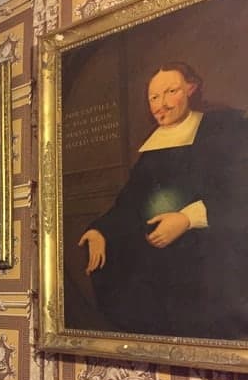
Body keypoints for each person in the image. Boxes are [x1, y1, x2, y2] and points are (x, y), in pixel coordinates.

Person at [78, 62, 248, 339]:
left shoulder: (222, 129)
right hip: (158, 258)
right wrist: (101, 229)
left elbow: (239, 188)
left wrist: (186, 219)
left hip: (208, 253)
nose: (162, 105)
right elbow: (130, 203)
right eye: (154, 97)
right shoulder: (152, 148)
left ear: (191, 89)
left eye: (171, 92)